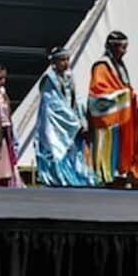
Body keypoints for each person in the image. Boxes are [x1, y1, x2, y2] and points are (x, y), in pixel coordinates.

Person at [35, 47, 98, 187]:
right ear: (54, 62)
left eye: (67, 59)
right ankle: (57, 177)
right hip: (55, 124)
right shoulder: (49, 80)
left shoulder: (69, 77)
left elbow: (75, 99)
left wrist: (81, 117)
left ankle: (72, 175)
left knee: (73, 150)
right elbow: (53, 105)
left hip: (70, 120)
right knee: (57, 149)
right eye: (62, 60)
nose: (66, 63)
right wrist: (73, 121)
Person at [87, 31, 138, 184]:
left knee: (117, 147)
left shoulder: (119, 65)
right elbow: (98, 92)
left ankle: (116, 173)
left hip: (119, 117)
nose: (125, 51)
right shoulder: (101, 66)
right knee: (105, 145)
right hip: (106, 117)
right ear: (113, 47)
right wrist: (124, 95)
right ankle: (102, 175)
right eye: (122, 48)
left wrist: (128, 94)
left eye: (125, 47)